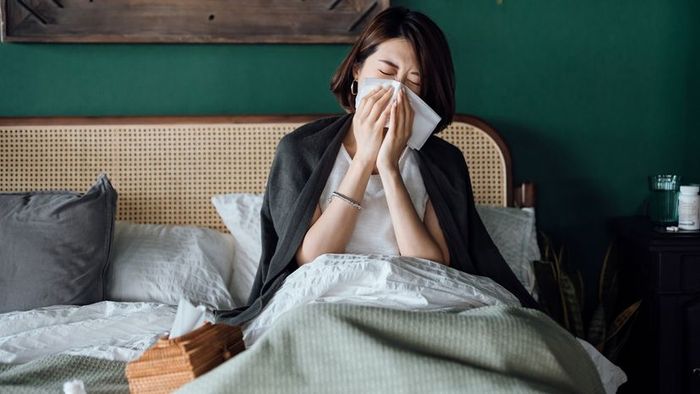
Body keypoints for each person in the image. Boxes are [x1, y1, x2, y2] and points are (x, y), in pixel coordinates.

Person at [216, 6, 538, 326]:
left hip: (418, 301)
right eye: (386, 72)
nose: (398, 92)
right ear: (357, 70)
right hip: (325, 302)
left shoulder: (444, 162)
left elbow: (431, 264)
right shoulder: (300, 151)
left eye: (414, 82)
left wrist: (389, 167)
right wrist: (364, 159)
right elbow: (312, 259)